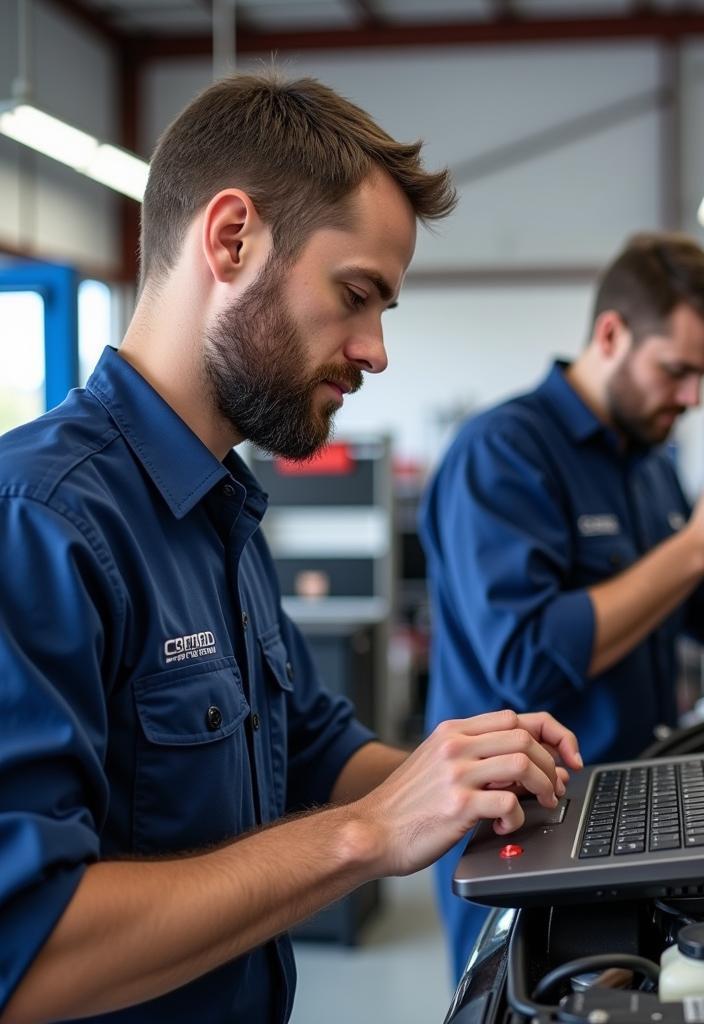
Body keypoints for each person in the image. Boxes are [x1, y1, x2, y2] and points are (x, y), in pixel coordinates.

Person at [0, 73, 583, 1024]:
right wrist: (367, 836)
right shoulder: (38, 523)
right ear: (233, 240)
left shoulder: (218, 503)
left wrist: (468, 772)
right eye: (358, 295)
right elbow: (23, 949)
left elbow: (307, 746)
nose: (376, 349)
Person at [420, 232, 704, 979]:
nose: (692, 398)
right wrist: (698, 545)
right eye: (676, 371)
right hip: (530, 825)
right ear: (611, 334)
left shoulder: (649, 464)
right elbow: (528, 654)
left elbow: (701, 601)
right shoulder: (502, 452)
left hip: (634, 804)